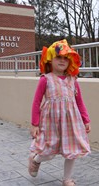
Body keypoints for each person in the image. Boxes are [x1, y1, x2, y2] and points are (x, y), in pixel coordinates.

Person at [28, 39, 91, 186]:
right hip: (51, 122)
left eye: (65, 58)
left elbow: (80, 102)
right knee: (48, 153)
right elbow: (36, 102)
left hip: (71, 123)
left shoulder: (73, 80)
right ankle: (35, 159)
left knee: (72, 151)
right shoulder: (45, 80)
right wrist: (34, 124)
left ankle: (67, 179)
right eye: (58, 57)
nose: (62, 61)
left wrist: (86, 119)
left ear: (70, 62)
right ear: (50, 59)